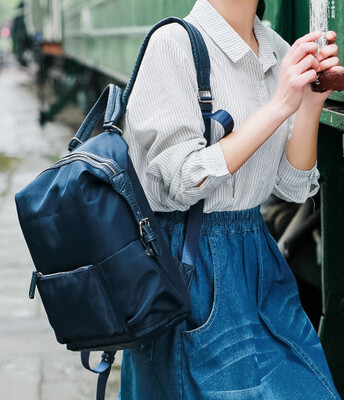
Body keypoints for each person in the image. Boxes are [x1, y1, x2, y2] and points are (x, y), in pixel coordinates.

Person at [118, 0, 344, 399]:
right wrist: (279, 105)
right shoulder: (173, 44)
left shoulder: (274, 48)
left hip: (258, 258)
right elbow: (182, 180)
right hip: (191, 262)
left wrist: (309, 103)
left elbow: (292, 187)